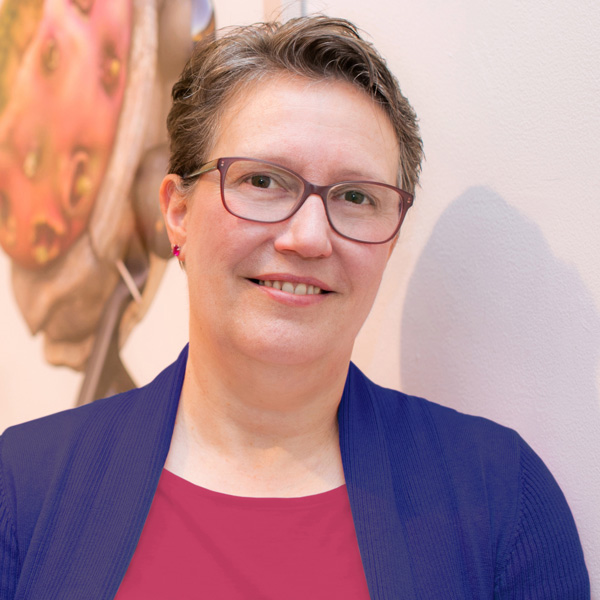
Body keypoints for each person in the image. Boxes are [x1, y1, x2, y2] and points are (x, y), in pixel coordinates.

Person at [0, 16, 589, 600]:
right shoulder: (22, 491)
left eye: (356, 196)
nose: (308, 237)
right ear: (177, 212)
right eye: (262, 181)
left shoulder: (501, 501)